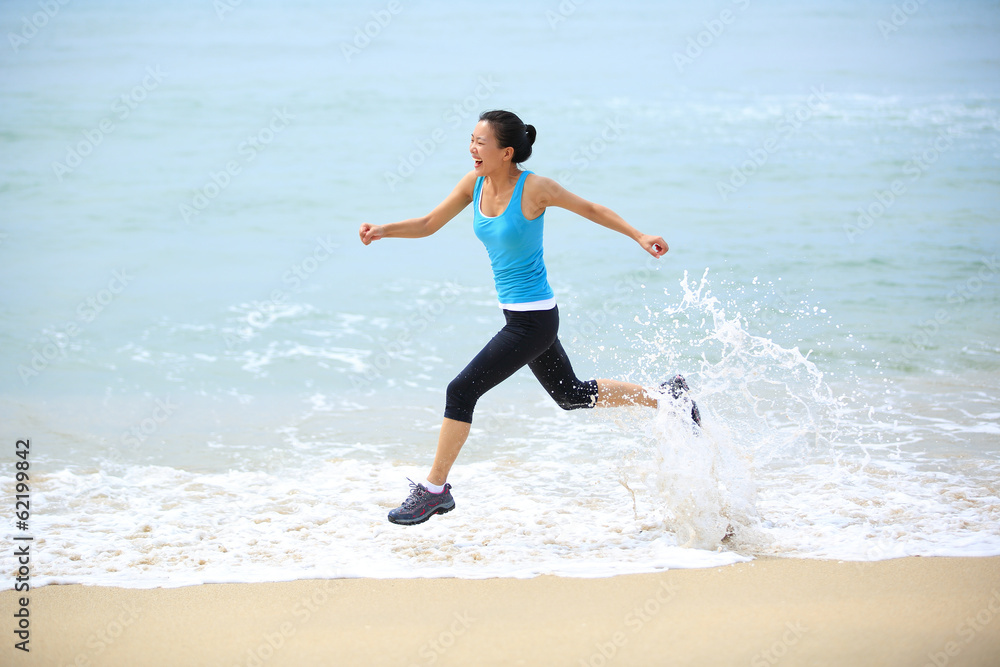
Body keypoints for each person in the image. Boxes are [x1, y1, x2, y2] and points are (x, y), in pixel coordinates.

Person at [359, 110, 700, 526]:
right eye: (471, 139)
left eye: (480, 143)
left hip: (533, 322)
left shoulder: (535, 188)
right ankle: (668, 396)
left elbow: (590, 209)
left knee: (461, 391)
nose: (471, 148)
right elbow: (429, 223)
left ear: (506, 152)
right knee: (570, 394)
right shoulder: (475, 184)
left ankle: (435, 490)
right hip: (523, 318)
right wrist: (383, 229)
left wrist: (639, 235)